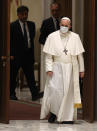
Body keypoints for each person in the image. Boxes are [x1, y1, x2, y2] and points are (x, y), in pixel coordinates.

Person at [40, 17, 85, 124]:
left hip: (70, 68)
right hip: (56, 68)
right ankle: (54, 112)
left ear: (70, 26)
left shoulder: (75, 37)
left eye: (66, 25)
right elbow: (48, 56)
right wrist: (49, 68)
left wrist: (82, 70)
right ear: (59, 24)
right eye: (62, 25)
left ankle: (67, 117)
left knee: (68, 94)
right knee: (55, 92)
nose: (64, 27)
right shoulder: (52, 36)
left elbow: (80, 56)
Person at [10, 5, 43, 100]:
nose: (25, 16)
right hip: (16, 55)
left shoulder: (31, 25)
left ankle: (34, 94)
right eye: (22, 14)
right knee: (13, 75)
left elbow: (30, 40)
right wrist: (11, 54)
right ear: (18, 15)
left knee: (30, 76)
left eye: (26, 14)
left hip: (28, 55)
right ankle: (12, 94)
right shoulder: (12, 26)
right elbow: (10, 41)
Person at [39, 2, 61, 92]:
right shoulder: (46, 22)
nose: (55, 13)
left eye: (56, 10)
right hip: (50, 54)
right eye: (53, 11)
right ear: (50, 11)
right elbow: (41, 39)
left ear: (60, 10)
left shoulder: (65, 21)